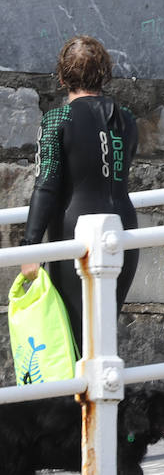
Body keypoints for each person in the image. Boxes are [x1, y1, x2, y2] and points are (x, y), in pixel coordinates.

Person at [19, 36, 140, 346]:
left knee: (73, 339)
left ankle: (87, 395)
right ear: (105, 74)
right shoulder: (126, 119)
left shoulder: (58, 119)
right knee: (101, 338)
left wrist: (30, 246)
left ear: (61, 77)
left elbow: (46, 184)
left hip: (76, 239)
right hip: (122, 232)